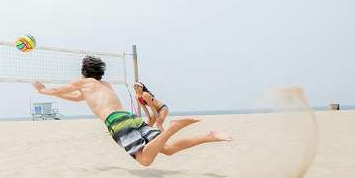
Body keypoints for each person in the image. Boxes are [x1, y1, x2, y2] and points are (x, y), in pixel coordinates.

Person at [33, 55, 231, 167]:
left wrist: (42, 90)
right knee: (167, 149)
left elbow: (61, 90)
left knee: (145, 160)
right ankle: (210, 136)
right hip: (129, 118)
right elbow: (72, 97)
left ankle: (173, 127)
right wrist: (58, 94)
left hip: (117, 122)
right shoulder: (103, 85)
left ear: (84, 73)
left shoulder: (83, 83)